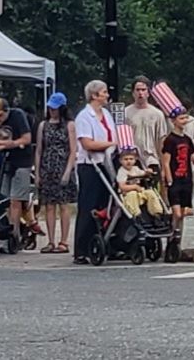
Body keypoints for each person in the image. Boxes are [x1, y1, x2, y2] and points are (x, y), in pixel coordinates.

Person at [72, 80, 119, 263]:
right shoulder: (84, 117)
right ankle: (81, 248)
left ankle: (105, 242)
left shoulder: (106, 114)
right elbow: (87, 143)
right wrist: (111, 144)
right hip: (90, 165)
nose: (107, 95)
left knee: (105, 205)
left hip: (106, 163)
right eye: (104, 92)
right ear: (94, 95)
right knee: (88, 205)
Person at [0, 93, 34, 238]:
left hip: (22, 160)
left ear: (6, 111)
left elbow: (26, 138)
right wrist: (4, 144)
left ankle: (14, 233)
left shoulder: (18, 116)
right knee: (3, 198)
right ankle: (5, 229)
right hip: (3, 161)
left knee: (15, 199)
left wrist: (6, 145)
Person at [34, 92, 75, 255]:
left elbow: (73, 150)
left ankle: (63, 241)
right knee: (49, 206)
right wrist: (37, 172)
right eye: (50, 108)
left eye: (55, 108)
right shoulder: (43, 125)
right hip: (47, 167)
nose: (52, 111)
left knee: (64, 206)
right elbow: (38, 150)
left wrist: (68, 171)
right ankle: (50, 241)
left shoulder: (69, 125)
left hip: (63, 166)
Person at [161, 113, 194, 261]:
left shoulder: (187, 139)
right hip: (175, 180)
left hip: (186, 179)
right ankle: (171, 239)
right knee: (176, 213)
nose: (184, 121)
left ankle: (177, 244)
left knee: (183, 213)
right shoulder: (170, 140)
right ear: (173, 121)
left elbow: (192, 155)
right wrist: (169, 179)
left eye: (185, 118)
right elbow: (166, 161)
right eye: (181, 119)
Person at [123, 78, 170, 175]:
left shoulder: (157, 114)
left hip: (152, 159)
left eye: (143, 90)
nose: (140, 93)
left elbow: (161, 140)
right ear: (133, 93)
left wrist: (164, 166)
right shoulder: (125, 113)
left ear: (148, 93)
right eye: (138, 90)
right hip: (132, 160)